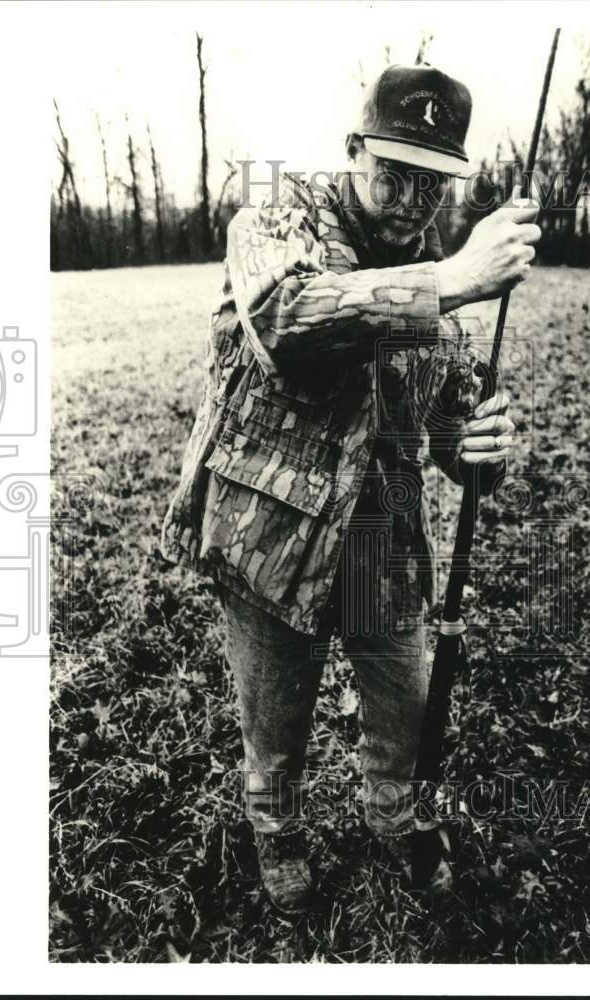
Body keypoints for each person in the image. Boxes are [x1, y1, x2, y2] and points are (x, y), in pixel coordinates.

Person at [161, 64, 541, 914]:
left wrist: (478, 448)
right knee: (276, 714)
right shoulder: (277, 213)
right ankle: (277, 827)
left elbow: (445, 426)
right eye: (393, 171)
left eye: (432, 182)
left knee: (403, 704)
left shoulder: (444, 268)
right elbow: (287, 322)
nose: (411, 200)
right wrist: (450, 283)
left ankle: (392, 815)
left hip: (382, 526)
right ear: (353, 149)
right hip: (272, 524)